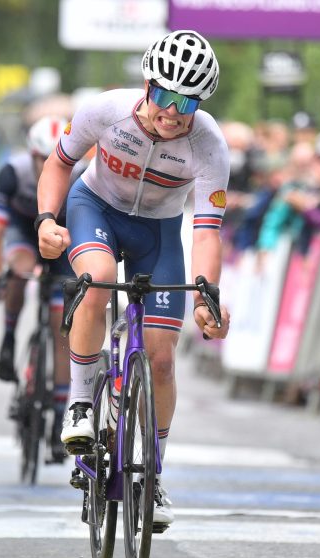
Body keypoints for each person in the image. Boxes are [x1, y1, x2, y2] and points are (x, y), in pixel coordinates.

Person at [35, 30, 231, 527]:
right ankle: (80, 403)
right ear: (147, 84)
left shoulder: (209, 146)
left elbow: (207, 231)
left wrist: (207, 294)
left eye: (185, 102)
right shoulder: (106, 111)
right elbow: (58, 166)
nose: (171, 111)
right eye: (164, 95)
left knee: (163, 361)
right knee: (97, 280)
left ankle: (152, 475)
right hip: (94, 207)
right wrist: (45, 220)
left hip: (159, 233)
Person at [0, 116, 76, 462]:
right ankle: (8, 338)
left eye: (54, 159)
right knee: (19, 273)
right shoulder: (12, 174)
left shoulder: (80, 174)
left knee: (61, 328)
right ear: (31, 155)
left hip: (63, 238)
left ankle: (58, 422)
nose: (47, 166)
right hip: (25, 232)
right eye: (41, 159)